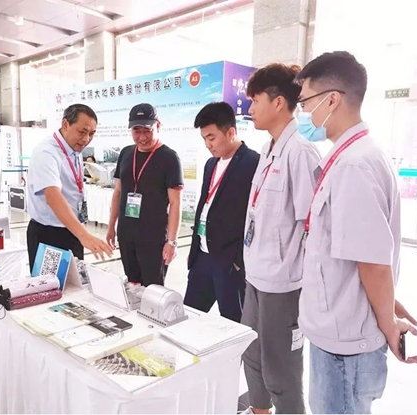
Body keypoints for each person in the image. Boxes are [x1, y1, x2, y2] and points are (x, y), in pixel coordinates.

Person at [295, 51, 417, 414]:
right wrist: (388, 304)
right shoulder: (354, 155)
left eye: (305, 101)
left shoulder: (354, 164)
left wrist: (388, 323)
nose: (303, 112)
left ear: (332, 100)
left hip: (345, 345)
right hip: (340, 332)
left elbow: (373, 264)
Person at [240, 63, 321, 414]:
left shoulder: (300, 153)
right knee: (252, 356)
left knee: (281, 370)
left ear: (278, 102)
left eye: (255, 100)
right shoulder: (267, 149)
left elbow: (313, 228)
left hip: (283, 285)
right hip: (256, 275)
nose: (250, 108)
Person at [183, 102, 259, 322]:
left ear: (231, 132)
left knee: (234, 323)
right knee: (188, 317)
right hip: (202, 257)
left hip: (229, 262)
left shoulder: (253, 163)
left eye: (212, 137)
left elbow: (255, 216)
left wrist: (239, 259)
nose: (208, 144)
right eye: (204, 139)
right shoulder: (211, 164)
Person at [26, 104, 112, 271]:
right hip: (49, 234)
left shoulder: (74, 150)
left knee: (75, 284)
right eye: (82, 132)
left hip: (72, 229)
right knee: (50, 285)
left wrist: (80, 233)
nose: (86, 139)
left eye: (91, 134)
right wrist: (84, 235)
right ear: (65, 124)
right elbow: (53, 196)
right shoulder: (46, 152)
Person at [106, 103, 183, 286]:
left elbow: (175, 203)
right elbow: (118, 192)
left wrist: (172, 241)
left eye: (147, 130)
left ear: (158, 125)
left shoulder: (169, 158)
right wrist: (111, 226)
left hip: (153, 237)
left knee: (152, 289)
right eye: (136, 131)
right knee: (132, 285)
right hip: (126, 233)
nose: (142, 137)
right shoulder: (126, 153)